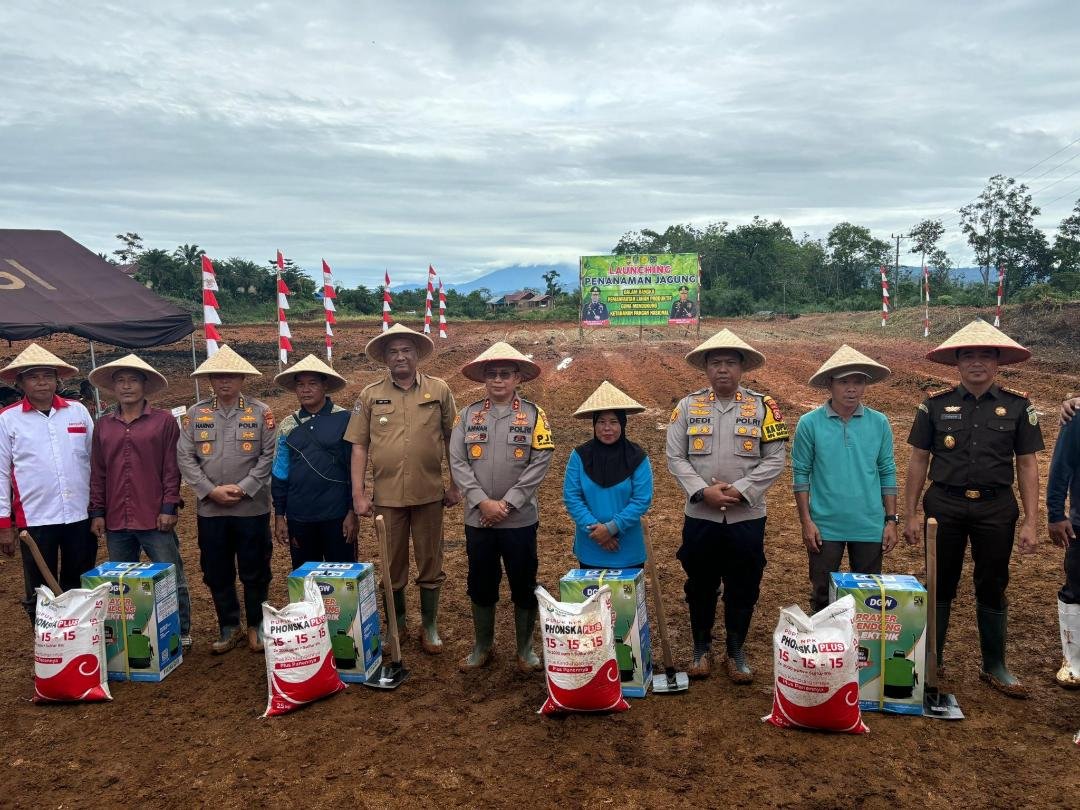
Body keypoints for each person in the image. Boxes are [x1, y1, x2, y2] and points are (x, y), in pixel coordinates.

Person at [903, 320, 1043, 698]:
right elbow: (918, 460)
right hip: (944, 504)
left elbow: (1027, 464)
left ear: (997, 362)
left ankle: (994, 665)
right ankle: (933, 660)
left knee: (993, 583)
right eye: (968, 355)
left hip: (996, 507)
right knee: (940, 581)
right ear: (957, 362)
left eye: (985, 355)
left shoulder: (1019, 405)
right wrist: (910, 513)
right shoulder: (933, 405)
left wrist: (1032, 521)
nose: (976, 362)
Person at [666, 329, 787, 683]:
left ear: (742, 367)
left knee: (744, 583)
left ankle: (736, 650)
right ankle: (700, 648)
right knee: (699, 583)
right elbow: (675, 457)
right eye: (716, 363)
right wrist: (703, 492)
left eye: (730, 363)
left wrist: (742, 490)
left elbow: (775, 458)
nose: (723, 369)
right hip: (700, 516)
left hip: (746, 516)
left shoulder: (764, 407)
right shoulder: (687, 407)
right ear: (706, 368)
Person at [347, 323, 461, 654]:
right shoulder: (370, 395)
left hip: (429, 494)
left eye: (406, 350)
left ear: (417, 355)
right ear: (385, 358)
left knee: (431, 562)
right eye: (393, 351)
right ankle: (395, 627)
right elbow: (359, 446)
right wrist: (358, 494)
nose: (400, 357)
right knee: (391, 566)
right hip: (388, 499)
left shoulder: (439, 390)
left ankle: (429, 625)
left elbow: (452, 439)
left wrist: (456, 484)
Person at [449, 342, 554, 671]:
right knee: (481, 581)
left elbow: (541, 461)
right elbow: (457, 461)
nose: (498, 380)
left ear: (517, 378)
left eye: (505, 374)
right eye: (492, 374)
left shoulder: (535, 415)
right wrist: (482, 502)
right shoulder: (467, 415)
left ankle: (525, 649)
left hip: (519, 519)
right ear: (484, 378)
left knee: (523, 581)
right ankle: (483, 645)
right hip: (478, 518)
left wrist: (507, 504)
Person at [88, 353, 192, 648]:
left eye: (133, 380)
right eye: (120, 381)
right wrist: (97, 511)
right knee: (122, 583)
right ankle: (127, 637)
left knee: (171, 575)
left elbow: (171, 468)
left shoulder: (163, 422)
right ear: (113, 387)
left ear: (144, 385)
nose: (126, 386)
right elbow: (98, 471)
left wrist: (169, 506)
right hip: (116, 517)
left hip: (154, 515)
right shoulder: (103, 425)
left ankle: (182, 632)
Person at [177, 345, 275, 654]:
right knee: (216, 570)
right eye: (218, 376)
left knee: (255, 569)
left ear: (242, 378)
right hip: (211, 510)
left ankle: (256, 625)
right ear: (210, 380)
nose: (224, 382)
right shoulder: (195, 414)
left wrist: (244, 488)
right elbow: (185, 457)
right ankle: (229, 626)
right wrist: (210, 490)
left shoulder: (261, 412)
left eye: (231, 376)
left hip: (252, 508)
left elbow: (268, 456)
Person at [791, 345, 898, 613]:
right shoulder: (809, 423)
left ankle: (860, 641)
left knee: (868, 596)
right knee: (822, 594)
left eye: (858, 382)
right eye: (844, 382)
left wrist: (890, 520)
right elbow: (801, 474)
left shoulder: (879, 423)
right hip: (825, 525)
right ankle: (823, 640)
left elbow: (887, 470)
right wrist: (806, 522)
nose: (851, 389)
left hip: (869, 523)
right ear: (830, 384)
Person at [0, 344, 96, 623]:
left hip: (80, 513)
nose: (41, 382)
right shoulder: (8, 420)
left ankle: (78, 636)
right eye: (33, 376)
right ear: (20, 383)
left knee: (79, 581)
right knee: (40, 589)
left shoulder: (77, 412)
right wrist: (4, 524)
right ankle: (45, 639)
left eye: (47, 376)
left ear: (57, 380)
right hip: (36, 518)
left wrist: (99, 509)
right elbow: (1, 473)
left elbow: (95, 460)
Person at [271, 355, 357, 570]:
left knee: (343, 575)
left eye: (312, 383)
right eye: (300, 385)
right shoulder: (287, 425)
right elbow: (280, 473)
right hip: (299, 515)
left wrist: (352, 511)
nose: (306, 390)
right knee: (306, 576)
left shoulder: (345, 419)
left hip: (337, 514)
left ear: (325, 386)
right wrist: (280, 515)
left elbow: (354, 469)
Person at [563, 381, 652, 570]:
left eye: (613, 422)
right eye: (601, 422)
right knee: (592, 591)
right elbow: (572, 497)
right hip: (591, 545)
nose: (607, 428)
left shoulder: (637, 457)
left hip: (627, 547)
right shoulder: (579, 456)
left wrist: (612, 528)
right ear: (594, 424)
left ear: (623, 423)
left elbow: (641, 500)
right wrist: (598, 532)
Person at [1047, 397, 1080, 689]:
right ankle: (1073, 661)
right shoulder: (1077, 415)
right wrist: (1055, 512)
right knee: (1076, 587)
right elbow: (1061, 465)